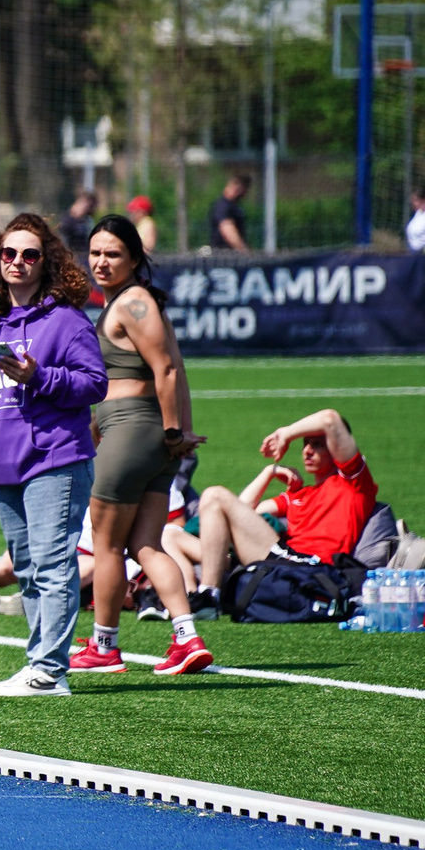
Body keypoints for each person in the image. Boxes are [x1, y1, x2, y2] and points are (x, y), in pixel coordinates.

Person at [0, 214, 105, 696]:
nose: (17, 262)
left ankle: (48, 669)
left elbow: (94, 384)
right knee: (27, 570)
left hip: (54, 460)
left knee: (53, 562)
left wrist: (39, 377)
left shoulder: (66, 320)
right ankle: (40, 662)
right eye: (8, 254)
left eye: (30, 254)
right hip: (2, 467)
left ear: (46, 263)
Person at [65, 215, 212, 677]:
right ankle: (187, 638)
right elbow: (177, 368)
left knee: (106, 546)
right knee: (146, 544)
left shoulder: (132, 303)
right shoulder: (136, 302)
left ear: (133, 258)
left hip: (132, 434)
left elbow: (167, 370)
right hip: (148, 438)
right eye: (95, 253)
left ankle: (104, 647)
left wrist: (174, 432)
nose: (101, 262)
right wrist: (178, 433)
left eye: (112, 254)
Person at [181, 408, 374, 603]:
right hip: (284, 559)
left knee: (214, 495)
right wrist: (269, 472)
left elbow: (329, 419)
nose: (307, 451)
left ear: (335, 447)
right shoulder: (299, 494)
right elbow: (242, 511)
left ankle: (207, 595)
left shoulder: (353, 484)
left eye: (317, 445)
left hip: (312, 566)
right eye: (306, 444)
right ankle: (203, 595)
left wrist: (286, 434)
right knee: (175, 530)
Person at [209, 174, 251, 252]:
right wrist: (242, 249)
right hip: (224, 255)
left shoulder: (234, 206)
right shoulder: (223, 205)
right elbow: (227, 227)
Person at [56, 189, 96, 255]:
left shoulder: (87, 221)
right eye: (86, 205)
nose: (87, 209)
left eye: (90, 207)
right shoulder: (67, 221)